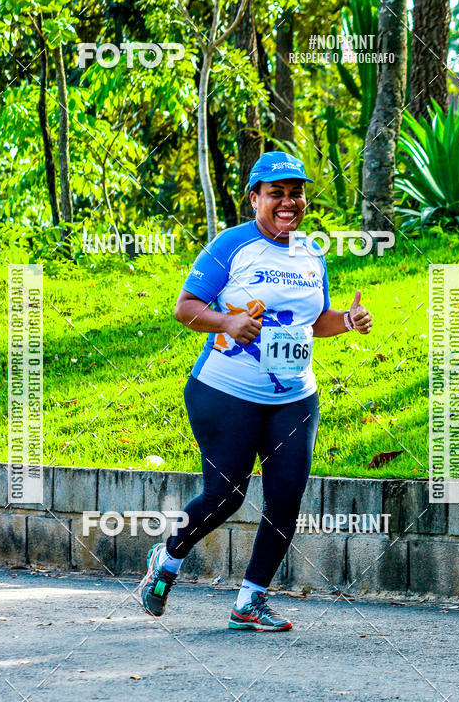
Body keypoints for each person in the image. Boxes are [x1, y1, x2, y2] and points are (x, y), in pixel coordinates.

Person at [137, 150, 372, 631]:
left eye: (296, 193)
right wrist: (227, 320)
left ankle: (250, 601)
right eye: (276, 193)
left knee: (286, 497)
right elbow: (185, 308)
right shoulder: (232, 245)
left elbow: (314, 320)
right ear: (254, 198)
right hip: (225, 391)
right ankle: (167, 559)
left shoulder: (311, 253)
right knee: (226, 497)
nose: (289, 202)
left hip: (293, 396)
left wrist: (347, 321)